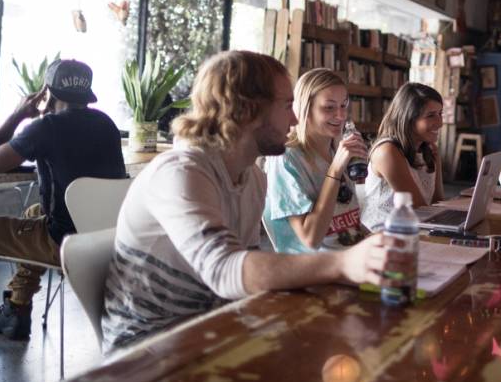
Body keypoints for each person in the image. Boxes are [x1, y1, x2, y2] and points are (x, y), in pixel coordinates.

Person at [102, 52, 398, 352]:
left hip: (216, 330)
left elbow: (244, 280)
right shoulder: (181, 172)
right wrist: (342, 263)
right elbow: (225, 271)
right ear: (249, 111)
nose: (295, 118)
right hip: (148, 350)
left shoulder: (253, 178)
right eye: (286, 106)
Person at [0, 59, 125, 355]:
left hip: (61, 241)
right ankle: (16, 309)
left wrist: (16, 116)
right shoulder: (107, 125)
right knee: (34, 214)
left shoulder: (45, 127)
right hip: (101, 239)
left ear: (47, 93)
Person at [263, 69, 368, 253]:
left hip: (353, 258)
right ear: (305, 108)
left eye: (344, 105)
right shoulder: (285, 158)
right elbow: (311, 239)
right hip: (314, 271)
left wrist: (378, 239)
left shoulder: (336, 148)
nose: (341, 115)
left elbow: (349, 223)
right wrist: (335, 170)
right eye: (329, 107)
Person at [361, 83, 444, 230]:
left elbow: (437, 202)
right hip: (383, 236)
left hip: (416, 228)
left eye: (440, 114)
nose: (440, 123)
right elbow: (417, 209)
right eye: (431, 115)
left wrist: (437, 161)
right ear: (408, 119)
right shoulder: (388, 151)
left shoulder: (428, 149)